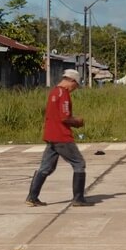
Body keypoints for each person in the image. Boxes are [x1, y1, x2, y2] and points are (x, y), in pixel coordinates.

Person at [26, 69, 93, 207]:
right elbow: (65, 117)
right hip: (61, 136)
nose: (75, 89)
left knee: (46, 167)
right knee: (79, 164)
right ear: (71, 81)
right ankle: (78, 198)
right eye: (76, 85)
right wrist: (78, 122)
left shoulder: (54, 92)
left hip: (51, 135)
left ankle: (32, 197)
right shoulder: (64, 94)